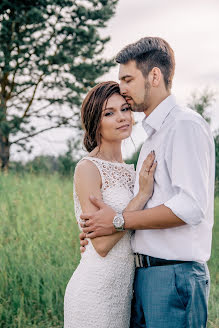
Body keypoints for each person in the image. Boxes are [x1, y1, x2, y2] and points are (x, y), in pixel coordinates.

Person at [80, 37, 215, 328]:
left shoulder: (184, 125)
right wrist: (97, 236)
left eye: (127, 79)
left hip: (173, 276)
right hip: (143, 277)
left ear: (154, 76)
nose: (123, 89)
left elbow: (190, 207)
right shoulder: (153, 137)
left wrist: (118, 221)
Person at [64, 81, 157, 328]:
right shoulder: (88, 169)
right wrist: (140, 197)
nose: (121, 118)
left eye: (125, 109)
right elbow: (102, 245)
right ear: (96, 122)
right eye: (109, 113)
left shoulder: (131, 170)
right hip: (94, 292)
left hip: (124, 292)